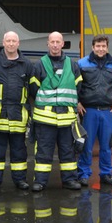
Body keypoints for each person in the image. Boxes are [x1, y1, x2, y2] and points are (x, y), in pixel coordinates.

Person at [28, 31, 84, 195]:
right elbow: (33, 89)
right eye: (52, 42)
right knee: (43, 152)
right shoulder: (38, 65)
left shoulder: (73, 65)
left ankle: (69, 180)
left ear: (62, 44)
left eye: (57, 42)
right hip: (45, 120)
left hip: (66, 119)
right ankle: (40, 182)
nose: (54, 45)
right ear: (48, 44)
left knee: (68, 151)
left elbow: (78, 88)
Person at [0, 30, 34, 191]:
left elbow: (31, 88)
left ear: (18, 43)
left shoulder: (27, 64)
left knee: (19, 151)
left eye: (13, 41)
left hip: (18, 116)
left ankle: (20, 180)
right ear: (3, 43)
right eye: (8, 41)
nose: (11, 44)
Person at [76, 34, 112, 186]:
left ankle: (106, 174)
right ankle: (84, 174)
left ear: (107, 47)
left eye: (103, 46)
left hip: (107, 111)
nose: (100, 49)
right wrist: (77, 103)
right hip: (88, 111)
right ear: (93, 47)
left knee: (107, 145)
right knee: (86, 145)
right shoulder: (81, 64)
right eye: (98, 46)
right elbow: (74, 86)